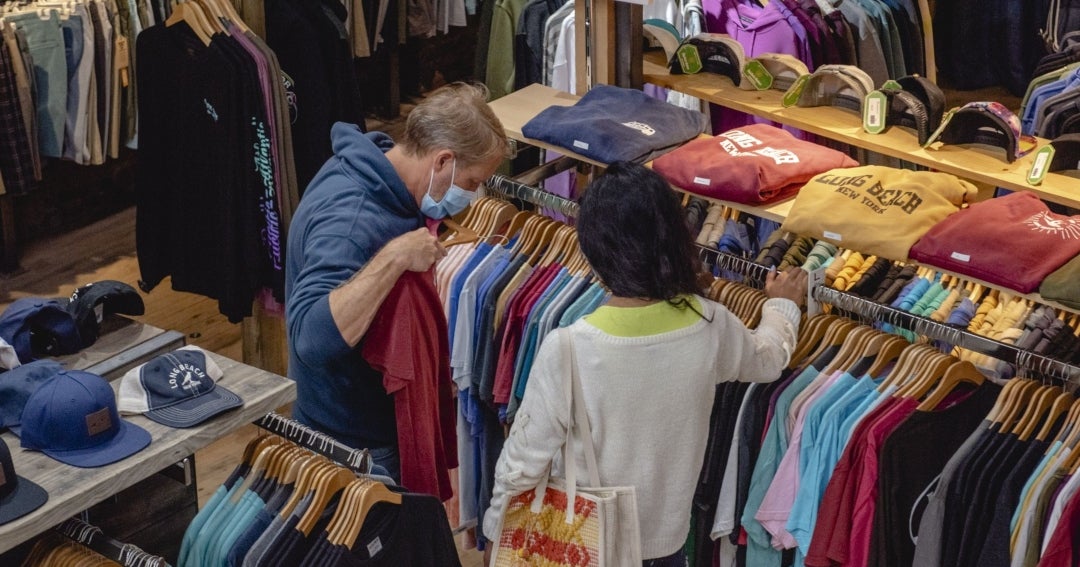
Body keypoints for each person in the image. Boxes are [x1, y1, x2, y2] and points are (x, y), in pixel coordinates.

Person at [482, 161, 808, 566]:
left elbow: (523, 463)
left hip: (582, 543)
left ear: (595, 249)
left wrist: (498, 533)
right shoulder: (709, 324)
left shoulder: (569, 348)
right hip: (666, 545)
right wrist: (781, 306)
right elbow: (768, 360)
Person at [285, 83, 508, 480]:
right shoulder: (352, 222)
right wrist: (394, 257)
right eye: (472, 182)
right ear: (442, 161)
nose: (473, 197)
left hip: (357, 427)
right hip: (349, 445)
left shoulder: (381, 175)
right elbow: (310, 338)